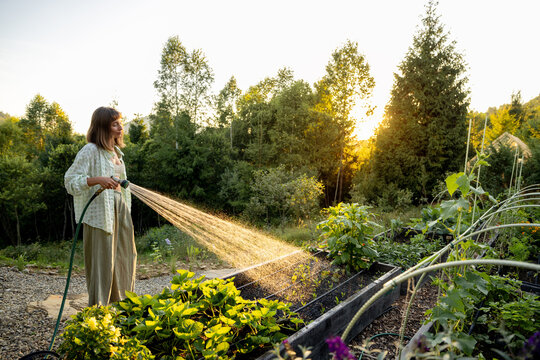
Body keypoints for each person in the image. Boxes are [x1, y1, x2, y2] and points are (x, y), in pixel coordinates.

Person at [64, 106, 136, 306]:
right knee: (102, 263)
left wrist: (125, 209)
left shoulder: (117, 152)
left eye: (120, 122)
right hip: (100, 213)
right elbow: (70, 181)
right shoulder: (90, 150)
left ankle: (122, 306)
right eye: (115, 124)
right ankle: (99, 311)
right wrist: (97, 180)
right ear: (103, 127)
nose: (121, 127)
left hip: (121, 209)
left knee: (124, 258)